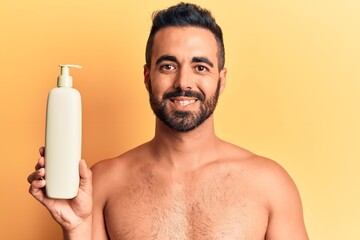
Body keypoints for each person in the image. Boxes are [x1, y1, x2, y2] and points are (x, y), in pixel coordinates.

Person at [28, 3, 308, 239]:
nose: (183, 82)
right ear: (148, 77)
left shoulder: (270, 184)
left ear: (220, 80)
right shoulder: (103, 183)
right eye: (168, 66)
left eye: (200, 67)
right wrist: (75, 226)